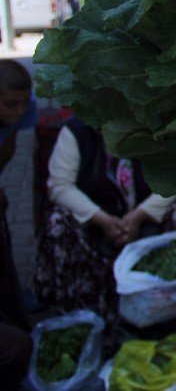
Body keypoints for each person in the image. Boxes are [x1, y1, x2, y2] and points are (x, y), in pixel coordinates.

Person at [33, 117, 176, 322]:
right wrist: (102, 219)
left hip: (148, 220)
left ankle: (175, 309)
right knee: (57, 222)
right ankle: (80, 314)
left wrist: (139, 216)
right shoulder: (77, 131)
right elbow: (60, 185)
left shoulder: (154, 126)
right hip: (95, 223)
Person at [0, 60, 35, 384]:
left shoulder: (25, 110)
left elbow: (11, 144)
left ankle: (15, 312)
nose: (19, 110)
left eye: (23, 103)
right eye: (11, 104)